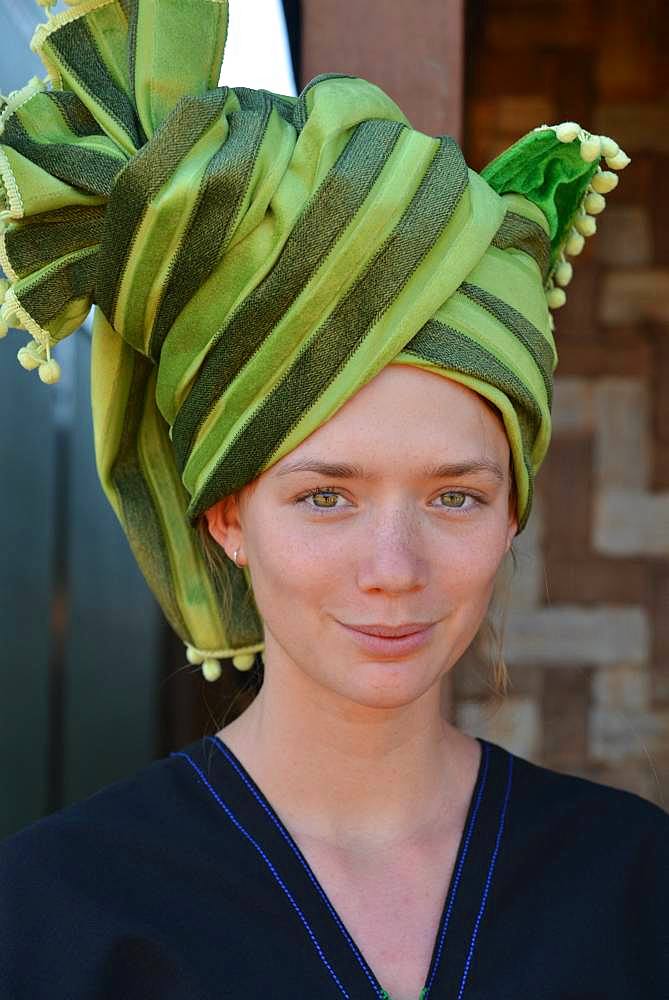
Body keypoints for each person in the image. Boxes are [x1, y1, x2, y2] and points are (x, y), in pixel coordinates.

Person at [0, 2, 666, 999]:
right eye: (325, 497)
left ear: (514, 510)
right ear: (226, 513)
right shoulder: (52, 910)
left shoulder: (635, 885)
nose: (394, 568)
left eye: (455, 496)